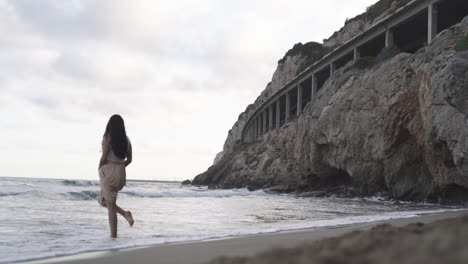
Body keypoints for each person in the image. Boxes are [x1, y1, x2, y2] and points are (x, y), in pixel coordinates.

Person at [98, 114, 134, 238]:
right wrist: (119, 167)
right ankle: (125, 214)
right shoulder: (127, 139)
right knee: (105, 202)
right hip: (121, 172)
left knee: (110, 207)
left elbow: (104, 157)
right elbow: (129, 160)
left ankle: (113, 237)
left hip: (108, 170)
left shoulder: (109, 138)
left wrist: (100, 167)